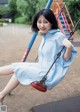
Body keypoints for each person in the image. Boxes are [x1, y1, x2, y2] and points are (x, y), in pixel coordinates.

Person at [0, 9, 77, 104]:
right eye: (39, 22)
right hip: (41, 66)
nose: (42, 25)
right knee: (17, 65)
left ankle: (1, 95)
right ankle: (1, 95)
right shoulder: (47, 35)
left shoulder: (58, 36)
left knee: (20, 69)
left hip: (49, 73)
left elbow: (65, 59)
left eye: (45, 22)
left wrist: (69, 47)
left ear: (51, 23)